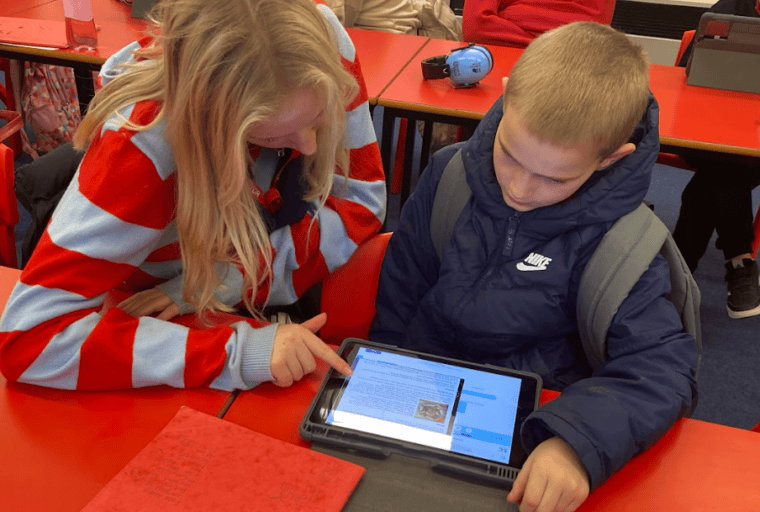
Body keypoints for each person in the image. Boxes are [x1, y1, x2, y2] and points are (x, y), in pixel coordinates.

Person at [370, 22, 698, 512]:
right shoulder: (450, 174)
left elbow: (662, 371)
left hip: (534, 436)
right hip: (420, 408)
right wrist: (381, 378)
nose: (520, 189)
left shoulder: (624, 245)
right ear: (505, 100)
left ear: (611, 159)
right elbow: (401, 293)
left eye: (553, 178)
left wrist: (574, 444)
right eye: (509, 155)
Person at [0, 0, 386, 391]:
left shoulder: (320, 41)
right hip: (156, 318)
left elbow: (360, 202)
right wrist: (236, 352)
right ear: (208, 119)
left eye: (317, 120)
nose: (307, 148)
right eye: (272, 136)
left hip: (235, 294)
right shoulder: (144, 148)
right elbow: (27, 339)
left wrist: (219, 284)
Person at [672, 0, 760, 319]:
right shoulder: (730, 8)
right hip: (707, 127)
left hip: (754, 142)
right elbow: (684, 72)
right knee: (722, 171)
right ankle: (739, 260)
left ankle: (675, 278)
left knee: (712, 179)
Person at [462, 0, 616, 48]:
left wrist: (509, 20)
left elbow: (591, 34)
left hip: (572, 76)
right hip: (497, 74)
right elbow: (477, 26)